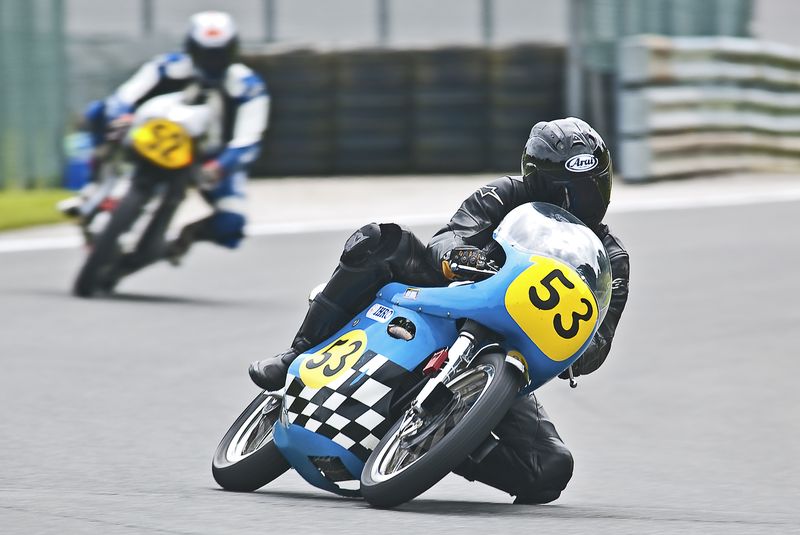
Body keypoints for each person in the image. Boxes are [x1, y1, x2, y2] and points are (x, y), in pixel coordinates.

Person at [249, 117, 630, 504]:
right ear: (536, 181)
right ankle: (299, 350)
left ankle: (440, 442)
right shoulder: (502, 195)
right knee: (379, 240)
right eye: (563, 190)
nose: (578, 203)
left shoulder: (611, 261)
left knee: (548, 469)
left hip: (508, 351)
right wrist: (459, 255)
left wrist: (577, 348)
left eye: (591, 187)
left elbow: (600, 340)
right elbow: (450, 234)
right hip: (448, 297)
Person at [65, 11, 269, 262]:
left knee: (231, 224)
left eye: (220, 54)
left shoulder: (248, 86)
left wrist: (220, 166)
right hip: (152, 133)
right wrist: (122, 117)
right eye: (206, 53)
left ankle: (185, 237)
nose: (213, 61)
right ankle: (93, 185)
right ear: (191, 49)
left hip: (210, 158)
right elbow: (124, 97)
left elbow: (249, 139)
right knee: (98, 111)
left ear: (232, 51)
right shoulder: (166, 66)